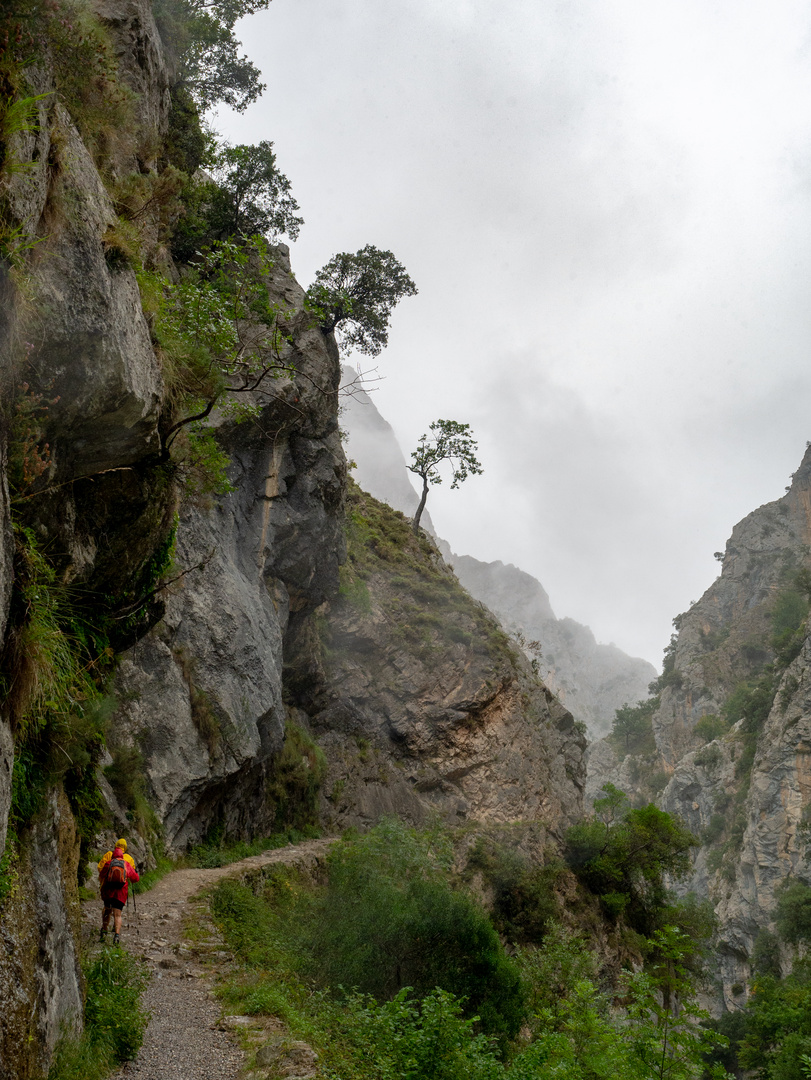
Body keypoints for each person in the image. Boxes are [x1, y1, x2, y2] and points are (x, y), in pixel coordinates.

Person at [98, 838, 140, 944]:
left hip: (108, 890)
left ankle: (104, 931)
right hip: (121, 892)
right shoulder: (127, 861)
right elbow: (135, 878)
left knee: (107, 910)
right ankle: (116, 935)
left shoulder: (109, 861)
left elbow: (101, 872)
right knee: (118, 914)